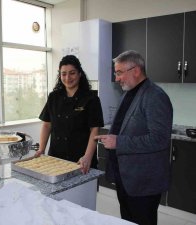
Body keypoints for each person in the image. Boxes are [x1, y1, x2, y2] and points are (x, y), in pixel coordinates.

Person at [95, 50, 173, 225]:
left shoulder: (155, 96)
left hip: (143, 182)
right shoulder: (127, 94)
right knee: (128, 221)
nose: (117, 78)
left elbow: (159, 139)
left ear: (136, 70)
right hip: (126, 177)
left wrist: (118, 141)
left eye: (119, 72)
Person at [35, 55, 104, 174]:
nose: (67, 77)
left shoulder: (91, 99)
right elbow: (47, 125)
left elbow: (94, 130)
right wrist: (41, 149)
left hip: (81, 160)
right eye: (64, 74)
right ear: (60, 75)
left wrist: (87, 157)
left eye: (72, 73)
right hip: (56, 159)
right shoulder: (53, 97)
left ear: (79, 74)